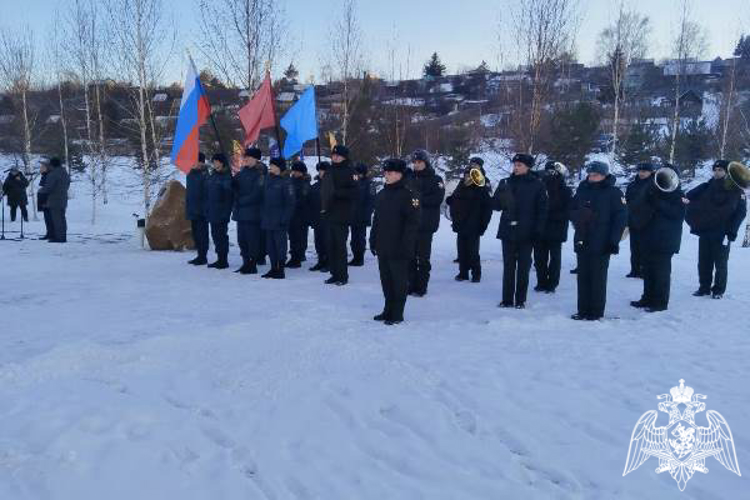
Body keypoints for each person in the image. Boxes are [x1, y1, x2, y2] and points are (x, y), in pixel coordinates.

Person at [569, 161, 627, 320]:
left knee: (598, 278)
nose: (592, 177)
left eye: (596, 175)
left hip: (602, 240)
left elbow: (620, 219)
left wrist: (613, 241)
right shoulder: (582, 189)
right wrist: (578, 216)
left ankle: (595, 311)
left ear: (604, 175)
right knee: (583, 276)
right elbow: (571, 208)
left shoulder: (614, 193)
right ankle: (583, 310)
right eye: (591, 174)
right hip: (582, 238)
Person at [685, 160, 747, 299]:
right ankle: (704, 287)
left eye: (720, 170)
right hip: (706, 230)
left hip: (723, 232)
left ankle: (718, 290)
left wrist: (732, 231)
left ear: (727, 172)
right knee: (704, 261)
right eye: (715, 169)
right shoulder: (707, 186)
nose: (717, 172)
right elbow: (694, 200)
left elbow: (740, 213)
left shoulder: (736, 190)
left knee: (720, 263)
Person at [492, 153, 548, 309]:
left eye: (519, 165)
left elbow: (542, 210)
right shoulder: (506, 182)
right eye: (515, 165)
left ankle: (521, 300)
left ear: (527, 167)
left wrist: (538, 230)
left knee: (523, 267)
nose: (516, 168)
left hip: (527, 231)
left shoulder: (537, 185)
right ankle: (507, 299)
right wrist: (499, 197)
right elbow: (496, 206)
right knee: (509, 266)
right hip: (507, 230)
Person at [369, 158, 421, 325]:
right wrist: (373, 239)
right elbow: (376, 219)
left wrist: (406, 246)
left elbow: (412, 224)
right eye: (385, 172)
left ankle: (397, 313)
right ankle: (387, 309)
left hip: (399, 247)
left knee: (398, 281)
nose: (386, 175)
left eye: (390, 173)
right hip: (383, 245)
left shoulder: (409, 194)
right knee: (386, 280)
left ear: (399, 174)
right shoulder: (382, 194)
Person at [630, 164, 685, 312]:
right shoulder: (651, 191)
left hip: (665, 241)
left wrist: (657, 202)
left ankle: (660, 302)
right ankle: (647, 298)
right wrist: (647, 196)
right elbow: (636, 206)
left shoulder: (679, 196)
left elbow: (677, 214)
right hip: (648, 237)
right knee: (648, 270)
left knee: (661, 273)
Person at [446, 159, 493, 283]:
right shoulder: (461, 184)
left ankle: (476, 273)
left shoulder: (481, 186)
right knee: (461, 250)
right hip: (460, 223)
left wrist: (483, 225)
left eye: (470, 174)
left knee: (473, 251)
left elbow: (487, 207)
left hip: (474, 224)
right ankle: (463, 272)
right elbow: (456, 197)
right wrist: (451, 200)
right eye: (466, 174)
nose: (467, 177)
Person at [406, 149, 445, 297]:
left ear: (425, 163)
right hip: (410, 223)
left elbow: (437, 199)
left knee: (423, 257)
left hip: (426, 224)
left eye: (419, 162)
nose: (416, 165)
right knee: (409, 256)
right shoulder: (409, 178)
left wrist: (418, 199)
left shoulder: (436, 179)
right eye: (414, 162)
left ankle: (422, 286)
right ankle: (410, 283)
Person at [533, 161, 572, 293]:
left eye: (553, 171)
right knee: (539, 258)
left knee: (555, 259)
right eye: (548, 171)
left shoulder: (565, 190)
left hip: (557, 228)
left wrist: (553, 215)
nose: (550, 174)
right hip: (541, 228)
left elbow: (568, 210)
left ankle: (552, 283)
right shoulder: (539, 187)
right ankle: (541, 281)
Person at [321, 145, 357, 286]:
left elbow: (355, 192)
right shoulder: (330, 170)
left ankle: (342, 275)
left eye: (338, 155)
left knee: (340, 246)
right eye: (333, 155)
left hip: (342, 214)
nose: (335, 157)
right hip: (329, 213)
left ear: (344, 157)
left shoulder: (350, 171)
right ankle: (334, 273)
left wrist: (337, 193)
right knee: (330, 245)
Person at [232, 147, 266, 274]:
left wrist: (242, 201)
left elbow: (257, 193)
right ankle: (245, 262)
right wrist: (233, 185)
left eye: (249, 157)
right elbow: (235, 187)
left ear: (256, 159)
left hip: (253, 213)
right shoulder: (242, 172)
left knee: (252, 239)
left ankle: (252, 263)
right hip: (241, 213)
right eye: (245, 157)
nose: (245, 159)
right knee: (242, 239)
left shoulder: (261, 174)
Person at [261, 157, 295, 279]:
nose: (270, 167)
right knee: (270, 246)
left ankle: (280, 269)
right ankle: (273, 268)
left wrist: (284, 219)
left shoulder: (286, 182)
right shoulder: (268, 179)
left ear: (279, 167)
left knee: (280, 245)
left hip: (279, 220)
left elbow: (290, 203)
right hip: (268, 219)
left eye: (273, 165)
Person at [624, 163, 655, 278]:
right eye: (640, 171)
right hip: (633, 219)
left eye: (645, 171)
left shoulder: (655, 184)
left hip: (648, 221)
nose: (641, 173)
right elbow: (627, 201)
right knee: (634, 246)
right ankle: (635, 269)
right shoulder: (632, 185)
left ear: (651, 172)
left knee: (646, 247)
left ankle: (644, 270)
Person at [205, 153, 234, 269]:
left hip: (222, 212)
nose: (214, 163)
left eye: (216, 161)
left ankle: (223, 260)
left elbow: (229, 197)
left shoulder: (226, 176)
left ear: (221, 163)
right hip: (213, 210)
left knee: (221, 236)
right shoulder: (214, 175)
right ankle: (219, 258)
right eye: (213, 161)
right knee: (215, 235)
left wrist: (226, 213)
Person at [36, 157, 70, 243]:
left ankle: (59, 238)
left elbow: (48, 187)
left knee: (57, 219)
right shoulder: (64, 172)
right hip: (62, 199)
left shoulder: (54, 174)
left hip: (54, 200)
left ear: (52, 165)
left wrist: (41, 190)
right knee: (61, 219)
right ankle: (62, 236)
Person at [349, 163, 376, 267]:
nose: (357, 175)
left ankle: (359, 258)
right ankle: (355, 256)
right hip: (353, 215)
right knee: (354, 238)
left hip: (362, 216)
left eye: (358, 173)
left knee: (360, 238)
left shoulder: (369, 184)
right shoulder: (354, 183)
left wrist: (366, 215)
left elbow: (371, 201)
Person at [185, 152, 210, 265]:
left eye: (195, 161)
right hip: (192, 209)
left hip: (202, 211)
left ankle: (203, 256)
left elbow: (207, 194)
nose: (193, 163)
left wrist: (204, 208)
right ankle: (199, 255)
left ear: (201, 162)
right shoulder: (190, 174)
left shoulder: (205, 175)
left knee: (202, 234)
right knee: (195, 234)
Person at [287, 160, 312, 268]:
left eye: (297, 171)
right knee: (293, 236)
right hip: (291, 214)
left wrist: (292, 203)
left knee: (300, 237)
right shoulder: (290, 181)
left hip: (301, 215)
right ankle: (295, 255)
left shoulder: (305, 183)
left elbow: (303, 198)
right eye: (294, 171)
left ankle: (298, 257)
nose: (295, 173)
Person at [308, 161, 330, 272]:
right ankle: (321, 261)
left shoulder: (332, 185)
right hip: (317, 218)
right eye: (320, 170)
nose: (322, 172)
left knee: (327, 242)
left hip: (328, 219)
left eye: (324, 170)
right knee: (318, 242)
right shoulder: (315, 186)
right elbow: (310, 202)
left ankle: (329, 262)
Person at [37, 162, 52, 240]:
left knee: (50, 218)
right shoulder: (45, 175)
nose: (40, 168)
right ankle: (49, 234)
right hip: (45, 200)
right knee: (47, 218)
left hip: (49, 201)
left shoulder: (49, 176)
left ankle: (53, 234)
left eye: (42, 167)